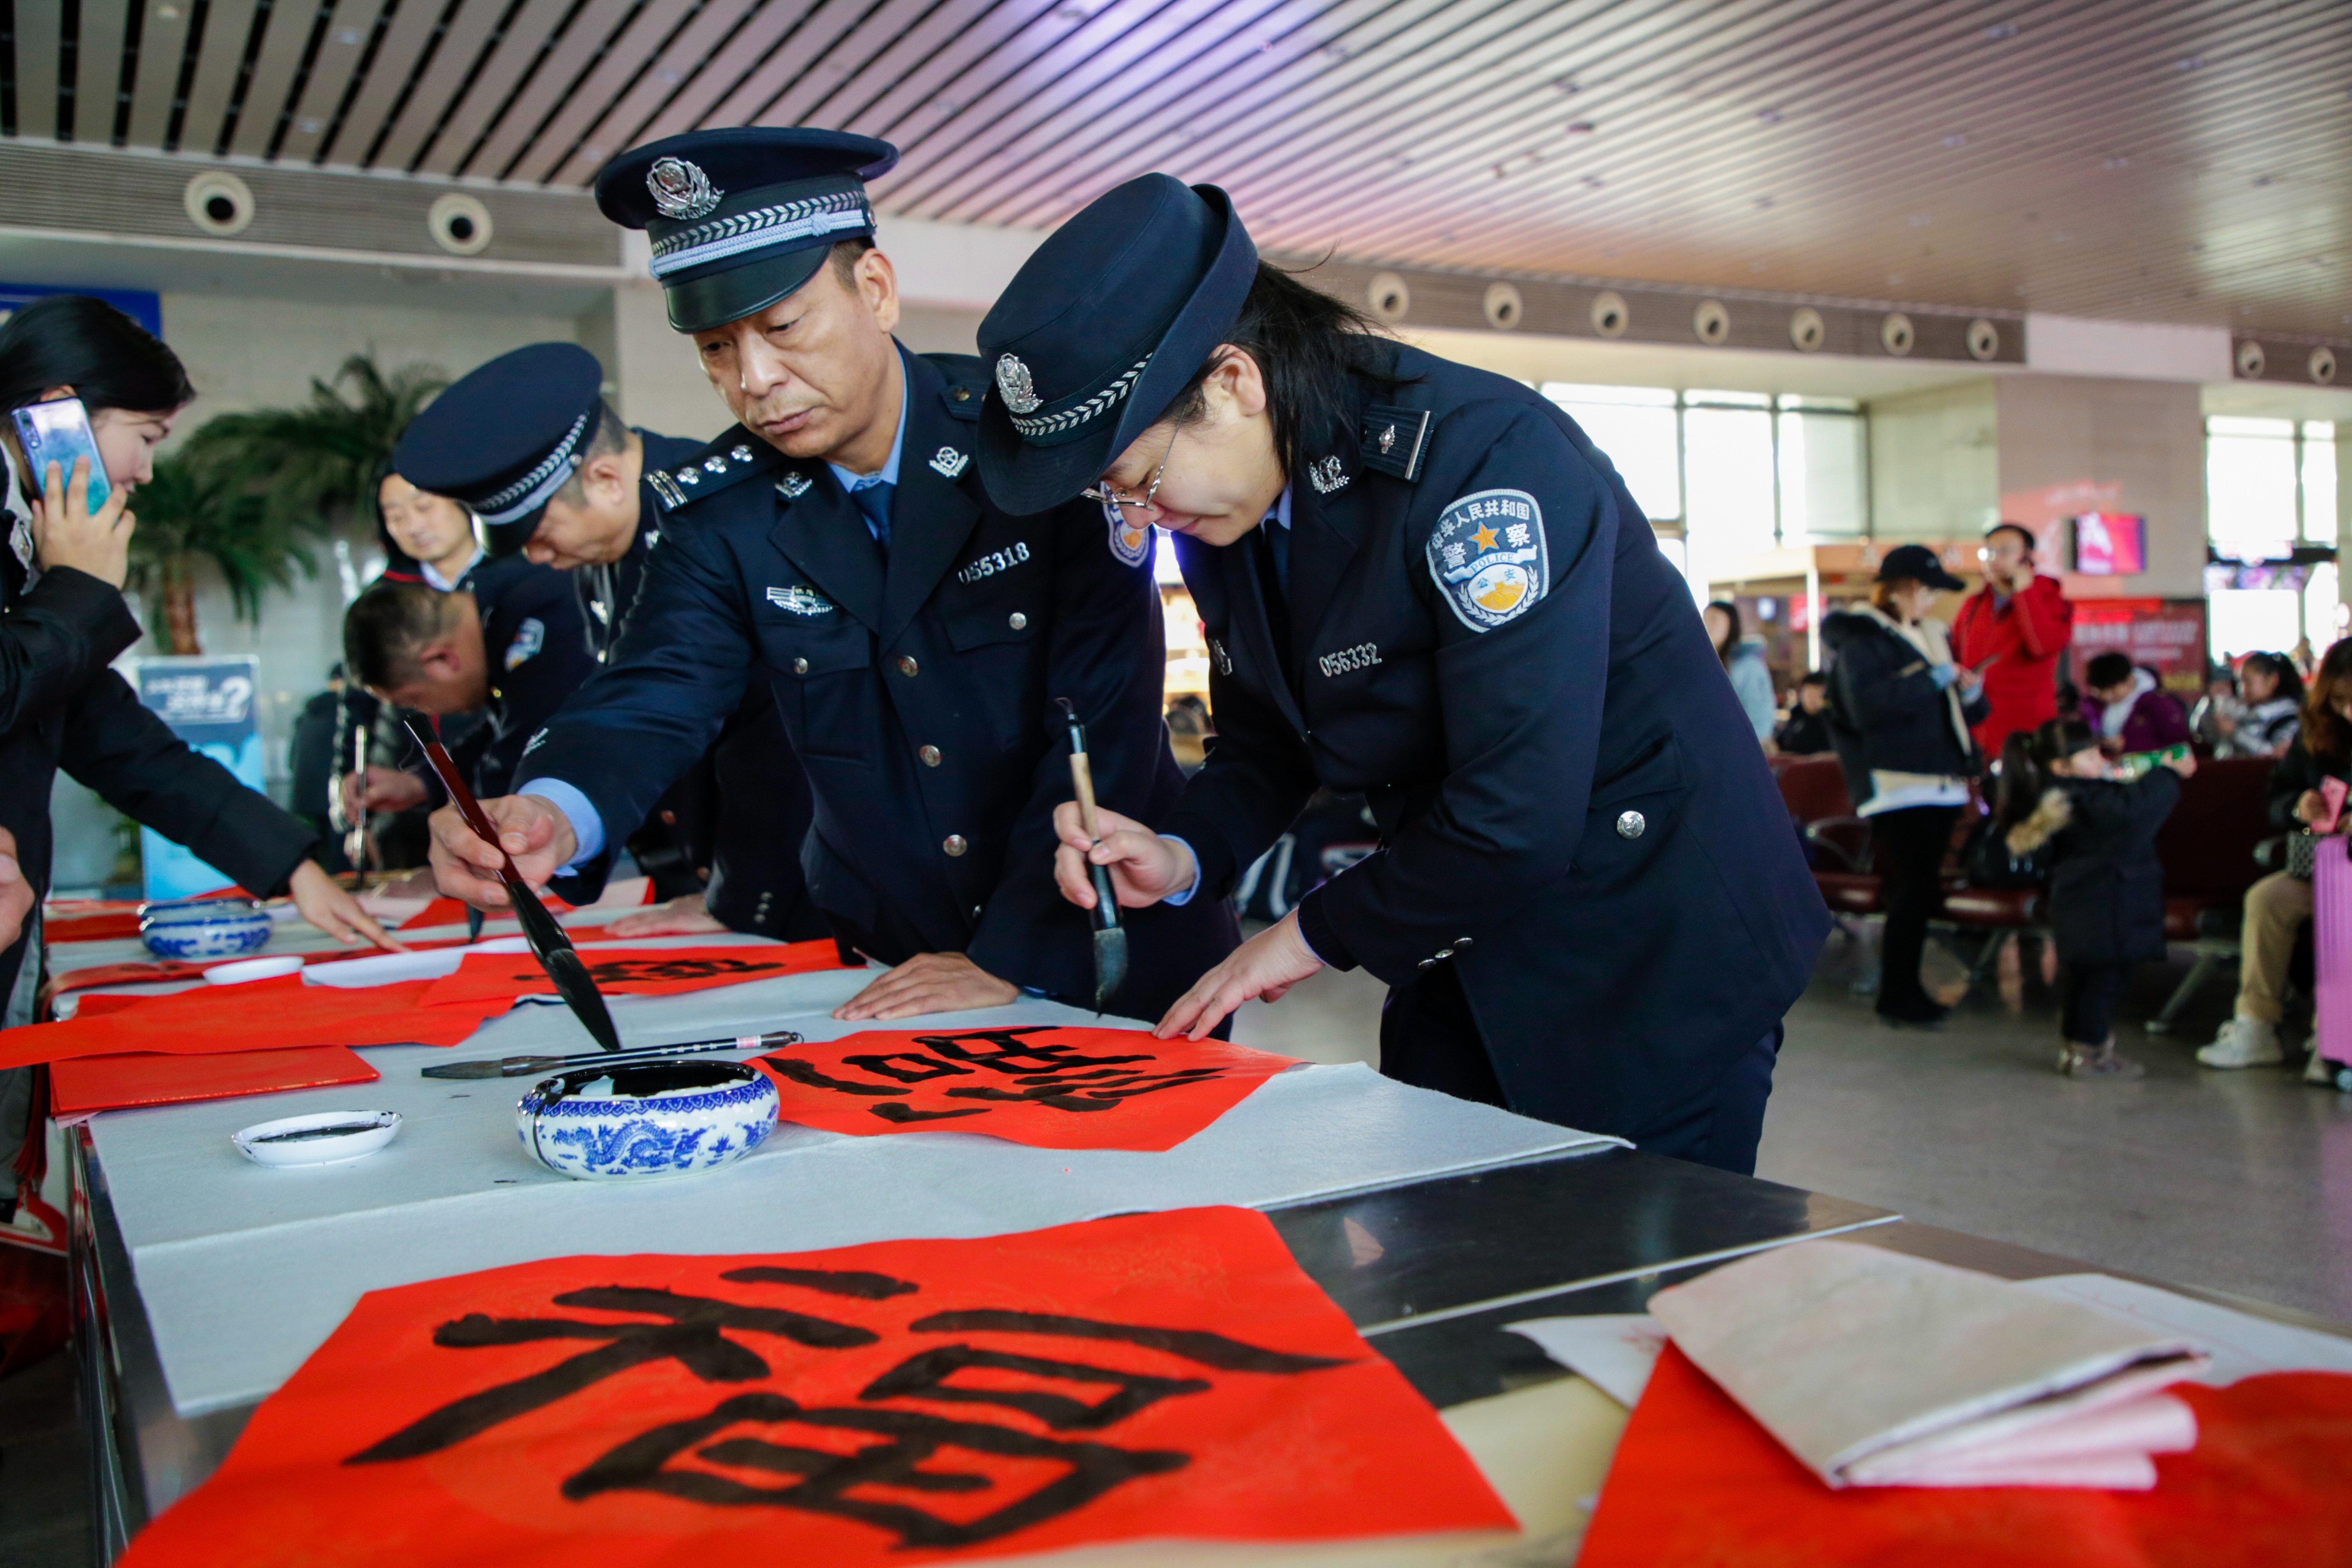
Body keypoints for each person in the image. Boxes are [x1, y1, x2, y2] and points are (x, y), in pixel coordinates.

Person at [979, 174, 1826, 1174]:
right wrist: (1178, 849)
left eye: (1141, 480)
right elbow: (1266, 737)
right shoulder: (1227, 511)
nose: (1145, 520)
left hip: (1652, 946)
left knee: (1625, 1290)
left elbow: (1512, 815)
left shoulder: (1483, 465)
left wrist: (1295, 938)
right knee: (1452, 1269)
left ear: (1233, 383)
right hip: (1460, 934)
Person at [422, 131, 1238, 1022]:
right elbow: (655, 687)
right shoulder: (725, 516)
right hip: (894, 966)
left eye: (782, 327)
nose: (756, 380)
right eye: (716, 350)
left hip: (1113, 947)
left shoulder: (1035, 450)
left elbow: (1106, 717)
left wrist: (1006, 955)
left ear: (875, 292)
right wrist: (550, 813)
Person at [0, 296, 398, 1173]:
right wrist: (75, 590)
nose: (145, 473)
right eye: (146, 436)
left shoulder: (29, 544)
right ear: (57, 413)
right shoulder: (49, 564)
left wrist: (288, 863)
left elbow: (117, 741)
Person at [393, 342, 820, 941]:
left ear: (605, 478)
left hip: (806, 888)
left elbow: (777, 734)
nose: (538, 559)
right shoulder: (608, 543)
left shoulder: (723, 514)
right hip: (725, 885)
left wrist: (742, 894)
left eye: (540, 534)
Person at [1821, 545, 1989, 1029]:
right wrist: (1932, 681)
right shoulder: (1863, 638)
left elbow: (1954, 712)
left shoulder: (1930, 635)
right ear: (1903, 588)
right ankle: (1899, 993)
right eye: (1928, 589)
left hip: (1940, 779)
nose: (1932, 601)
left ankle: (1904, 988)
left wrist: (1969, 693)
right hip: (1897, 781)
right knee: (1912, 888)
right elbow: (1868, 707)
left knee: (1916, 888)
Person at [1994, 716, 2192, 1080]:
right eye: (2090, 757)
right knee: (2105, 979)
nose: (2101, 761)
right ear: (2062, 767)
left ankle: (2076, 1048)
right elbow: (2132, 813)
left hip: (2083, 903)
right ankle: (2092, 1054)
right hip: (2109, 901)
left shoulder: (2056, 795)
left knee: (2084, 979)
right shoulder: (2086, 798)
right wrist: (2168, 774)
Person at [2198, 639, 2352, 1074]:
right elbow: (2277, 799)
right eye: (2339, 700)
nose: (2347, 712)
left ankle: (2335, 1035)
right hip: (2326, 866)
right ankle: (2255, 1025)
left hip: (2344, 881)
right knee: (2268, 899)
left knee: (2344, 910)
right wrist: (2298, 807)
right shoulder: (2316, 733)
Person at [342, 575, 598, 804]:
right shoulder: (491, 602)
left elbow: (519, 757)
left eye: (414, 700)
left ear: (441, 659)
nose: (424, 710)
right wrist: (421, 782)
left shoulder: (551, 631)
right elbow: (503, 727)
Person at [1950, 522, 2072, 758]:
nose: (1995, 559)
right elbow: (1956, 655)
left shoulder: (2048, 597)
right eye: (1989, 552)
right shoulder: (1974, 604)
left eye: (2005, 551)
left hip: (2026, 728)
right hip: (1977, 726)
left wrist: (2025, 592)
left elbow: (2043, 646)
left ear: (2027, 557)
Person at [2080, 651, 2191, 756]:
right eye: (2101, 692)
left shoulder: (2158, 704)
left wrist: (2129, 746)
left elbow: (2178, 745)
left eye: (2113, 690)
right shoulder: (2093, 705)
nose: (2107, 696)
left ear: (2129, 680)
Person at [1705, 600, 1775, 743]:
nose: (1707, 625)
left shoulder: (1748, 666)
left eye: (1714, 619)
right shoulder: (1709, 663)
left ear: (1731, 623)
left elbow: (1758, 716)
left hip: (1742, 748)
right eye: (1704, 619)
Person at [2211, 652, 2303, 758]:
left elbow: (2277, 753)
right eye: (2240, 682)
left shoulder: (2289, 717)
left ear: (2273, 681)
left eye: (2248, 682)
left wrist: (2235, 733)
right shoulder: (2243, 710)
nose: (2241, 689)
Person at [1775, 672, 1834, 756]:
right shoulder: (1796, 716)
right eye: (1809, 693)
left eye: (1818, 694)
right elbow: (1781, 743)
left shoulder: (1830, 722)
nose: (1812, 699)